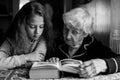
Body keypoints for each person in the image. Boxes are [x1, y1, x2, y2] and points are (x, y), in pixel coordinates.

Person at [48, 7, 120, 78]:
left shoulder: (94, 46)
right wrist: (50, 63)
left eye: (75, 32)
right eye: (66, 29)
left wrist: (104, 64)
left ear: (85, 34)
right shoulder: (57, 42)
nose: (68, 36)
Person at [0, 1, 54, 78]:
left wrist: (11, 62)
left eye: (41, 26)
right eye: (32, 27)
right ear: (22, 24)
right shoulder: (11, 39)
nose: (37, 32)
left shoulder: (42, 39)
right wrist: (26, 57)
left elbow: (36, 61)